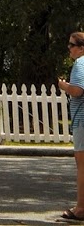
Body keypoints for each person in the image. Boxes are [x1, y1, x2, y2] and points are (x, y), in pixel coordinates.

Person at [56, 32, 84, 219]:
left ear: (81, 48)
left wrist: (63, 85)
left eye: (71, 45)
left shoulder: (80, 64)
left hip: (82, 120)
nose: (69, 48)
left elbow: (77, 90)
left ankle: (81, 208)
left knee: (82, 165)